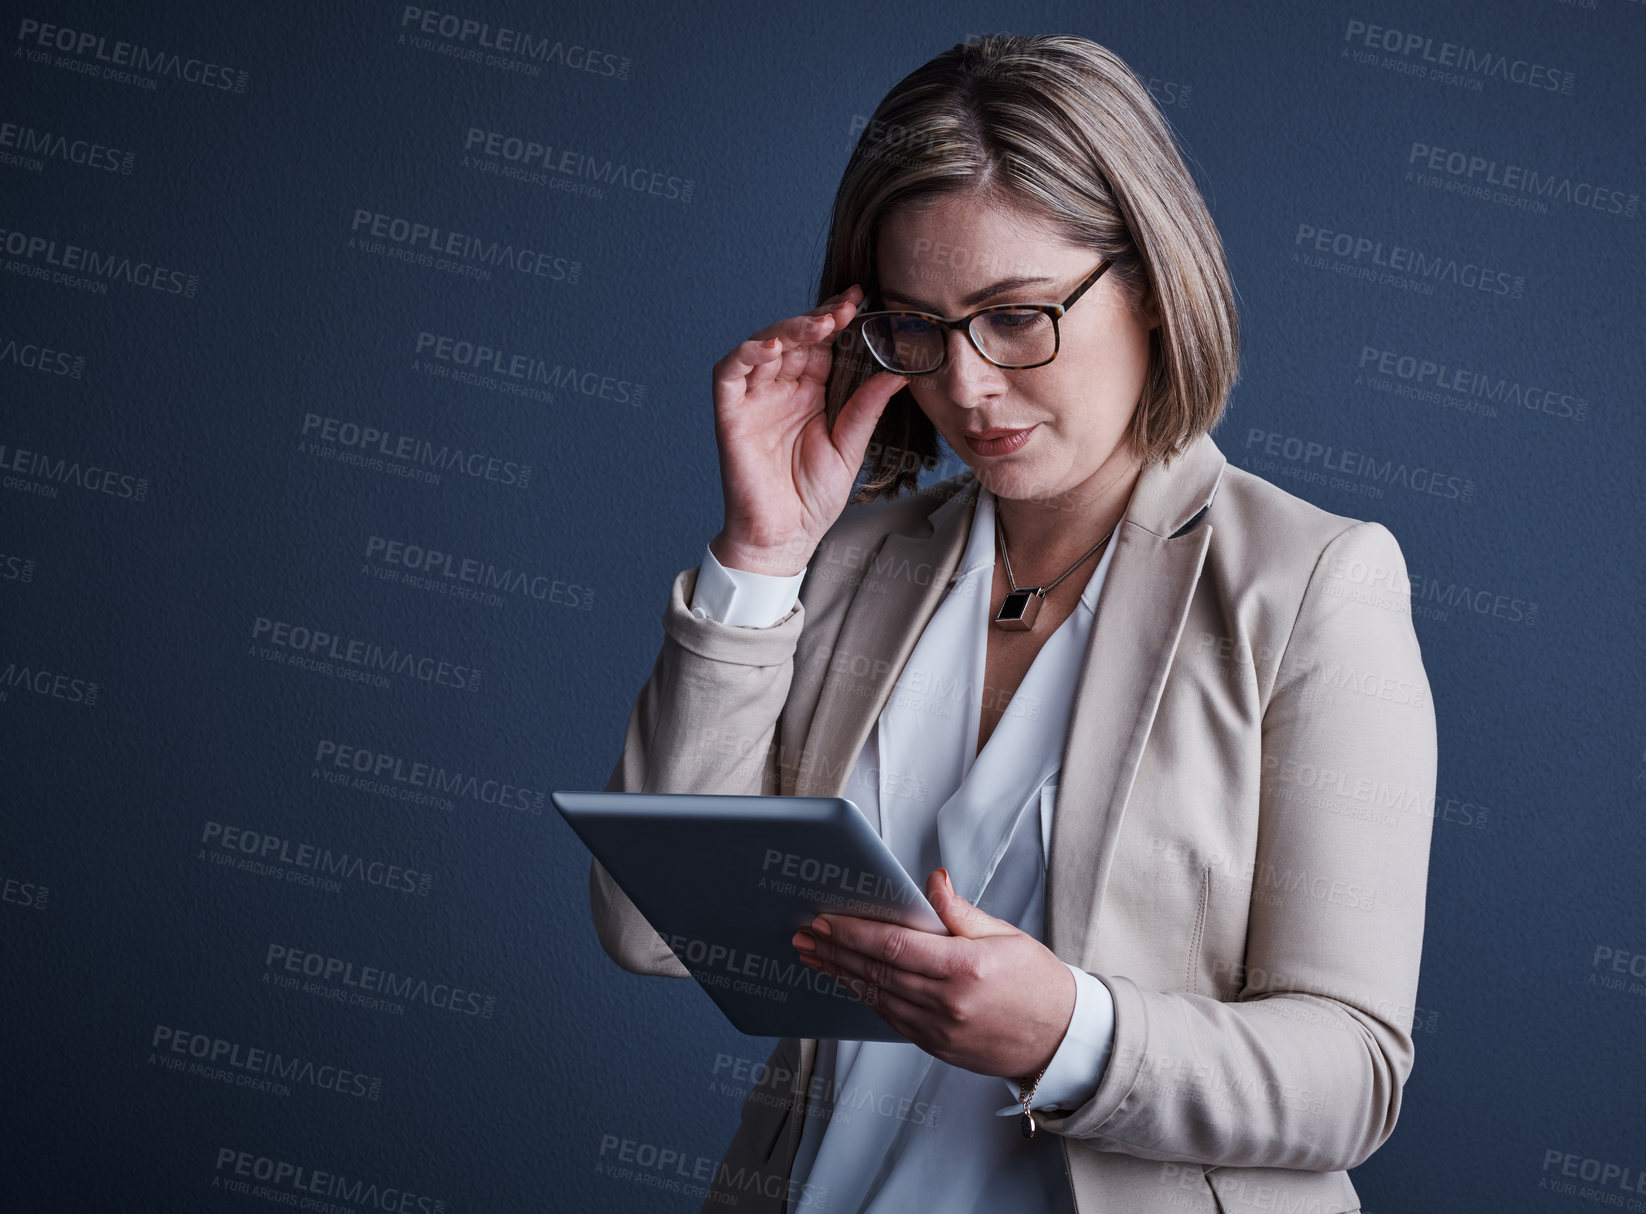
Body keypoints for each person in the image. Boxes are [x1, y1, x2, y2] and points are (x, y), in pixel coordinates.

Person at [588, 32, 1436, 1214]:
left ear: (1146, 279)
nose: (968, 386)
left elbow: (1352, 1071)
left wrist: (1074, 1033)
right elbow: (646, 926)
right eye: (918, 328)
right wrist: (760, 556)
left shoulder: (1309, 585)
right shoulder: (851, 566)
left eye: (1017, 314)